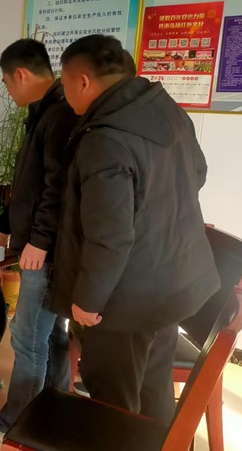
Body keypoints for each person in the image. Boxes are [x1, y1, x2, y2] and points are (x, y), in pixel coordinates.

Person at [52, 34, 220, 423]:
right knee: (152, 385)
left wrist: (88, 300)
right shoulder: (167, 111)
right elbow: (197, 173)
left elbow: (109, 236)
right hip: (170, 281)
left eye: (64, 83)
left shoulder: (105, 140)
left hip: (126, 298)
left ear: (82, 82)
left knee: (113, 395)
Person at [0, 38, 78, 451]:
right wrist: (6, 228)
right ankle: (53, 414)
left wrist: (39, 241)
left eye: (7, 82)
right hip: (38, 242)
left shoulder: (59, 114)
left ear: (21, 75)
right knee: (51, 335)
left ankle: (13, 432)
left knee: (28, 339)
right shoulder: (43, 110)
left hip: (45, 251)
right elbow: (29, 182)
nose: (8, 91)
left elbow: (56, 189)